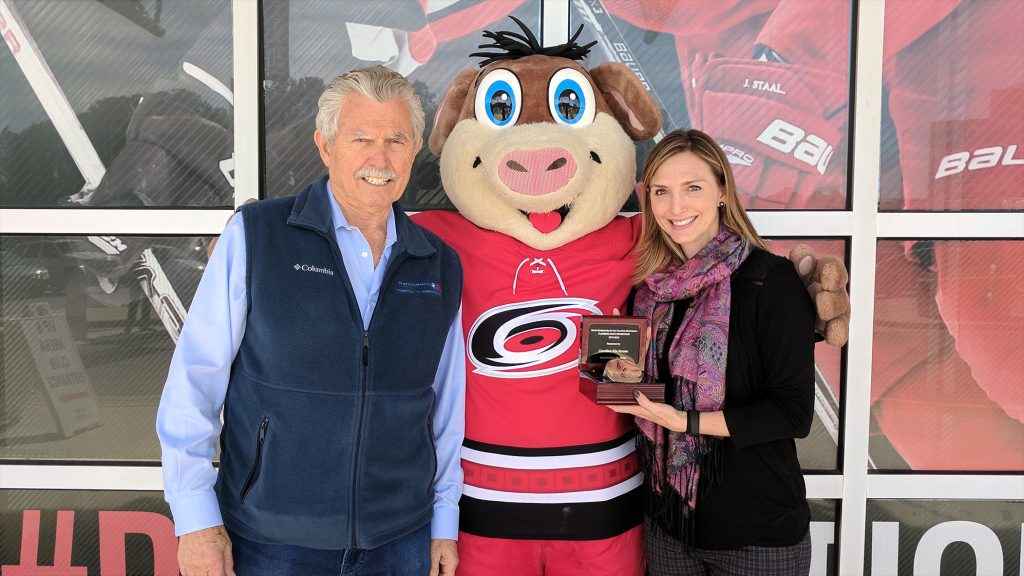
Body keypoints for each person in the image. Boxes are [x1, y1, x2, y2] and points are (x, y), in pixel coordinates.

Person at [156, 65, 465, 576]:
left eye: (397, 139)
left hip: (400, 540)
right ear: (324, 146)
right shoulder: (257, 236)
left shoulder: (437, 262)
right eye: (361, 137)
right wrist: (195, 520)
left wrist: (443, 521)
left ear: (414, 152)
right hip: (271, 541)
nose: (380, 158)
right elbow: (195, 381)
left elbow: (447, 410)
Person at [609, 129, 815, 575]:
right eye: (662, 192)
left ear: (723, 191)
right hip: (670, 528)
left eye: (693, 188)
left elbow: (792, 413)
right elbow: (655, 387)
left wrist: (686, 423)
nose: (676, 207)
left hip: (757, 535)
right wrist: (628, 376)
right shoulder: (653, 291)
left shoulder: (769, 281)